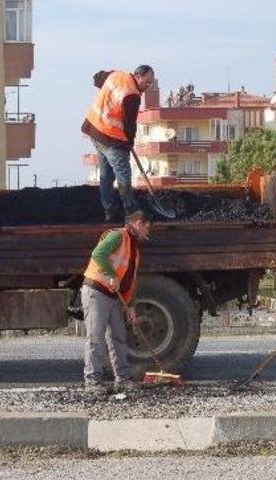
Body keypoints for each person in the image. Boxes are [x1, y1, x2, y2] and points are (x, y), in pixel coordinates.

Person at [81, 210, 152, 394]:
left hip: (113, 296)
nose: (148, 232)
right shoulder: (117, 236)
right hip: (97, 291)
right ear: (138, 224)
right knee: (96, 337)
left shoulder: (133, 248)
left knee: (118, 337)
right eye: (147, 227)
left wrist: (130, 305)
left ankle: (123, 378)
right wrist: (111, 275)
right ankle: (92, 381)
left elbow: (130, 279)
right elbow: (98, 253)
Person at [82, 65, 156, 222]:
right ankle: (131, 211)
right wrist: (129, 143)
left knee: (106, 175)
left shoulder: (116, 75)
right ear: (138, 76)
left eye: (151, 84)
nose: (148, 86)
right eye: (147, 82)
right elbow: (130, 125)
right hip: (110, 137)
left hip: (95, 129)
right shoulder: (133, 95)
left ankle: (110, 212)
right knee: (123, 174)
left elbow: (97, 77)